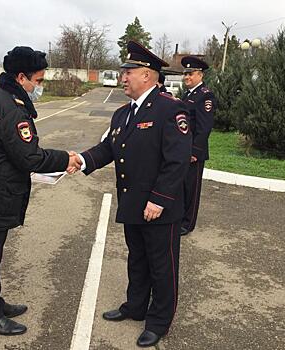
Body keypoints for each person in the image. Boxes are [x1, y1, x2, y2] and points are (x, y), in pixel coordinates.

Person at [0, 46, 81, 337]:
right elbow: (29, 157)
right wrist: (66, 157)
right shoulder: (9, 107)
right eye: (38, 81)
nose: (40, 86)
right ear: (21, 77)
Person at [73, 41, 191, 347]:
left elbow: (177, 160)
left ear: (148, 76)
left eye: (129, 71)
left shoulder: (170, 109)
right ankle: (135, 306)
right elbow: (109, 148)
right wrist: (81, 160)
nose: (123, 77)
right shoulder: (123, 113)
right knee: (137, 259)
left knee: (162, 265)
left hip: (158, 207)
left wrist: (160, 200)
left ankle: (159, 321)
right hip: (132, 203)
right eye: (124, 71)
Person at [179, 56, 215, 236]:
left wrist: (195, 151)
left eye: (190, 73)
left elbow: (204, 127)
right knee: (182, 186)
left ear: (200, 75)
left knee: (191, 189)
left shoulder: (205, 96)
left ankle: (187, 223)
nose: (186, 77)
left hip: (193, 152)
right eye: (185, 73)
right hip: (183, 149)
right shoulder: (189, 94)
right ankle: (180, 217)